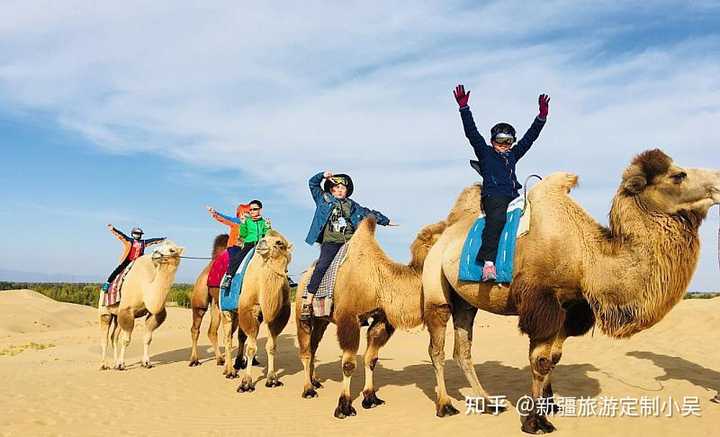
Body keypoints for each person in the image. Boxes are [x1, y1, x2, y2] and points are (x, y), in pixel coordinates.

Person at [453, 84, 550, 282]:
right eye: (500, 140)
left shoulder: (513, 154)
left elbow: (530, 138)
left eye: (508, 141)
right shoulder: (485, 153)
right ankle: (488, 263)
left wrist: (541, 117)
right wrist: (464, 108)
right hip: (494, 196)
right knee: (496, 220)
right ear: (492, 141)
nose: (504, 145)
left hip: (513, 195)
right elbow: (472, 133)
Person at [300, 171, 395, 320]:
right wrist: (323, 175)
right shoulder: (323, 199)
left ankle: (366, 304)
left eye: (342, 188)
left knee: (366, 265)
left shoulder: (352, 205)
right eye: (336, 187)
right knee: (322, 266)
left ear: (347, 191)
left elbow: (368, 213)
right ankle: (308, 301)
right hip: (331, 242)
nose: (339, 190)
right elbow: (312, 183)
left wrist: (385, 221)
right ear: (331, 189)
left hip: (350, 242)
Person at [209, 200, 271, 282]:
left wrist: (268, 227)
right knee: (238, 258)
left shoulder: (263, 222)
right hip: (248, 244)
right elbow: (243, 234)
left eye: (254, 209)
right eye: (250, 210)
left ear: (260, 209)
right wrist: (215, 213)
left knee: (277, 254)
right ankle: (229, 276)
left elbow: (267, 234)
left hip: (261, 244)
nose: (251, 211)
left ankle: (285, 277)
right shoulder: (244, 221)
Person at [102, 225, 166, 292]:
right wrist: (113, 229)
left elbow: (153, 240)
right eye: (136, 233)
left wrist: (162, 239)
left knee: (147, 270)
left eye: (139, 234)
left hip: (138, 261)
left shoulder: (143, 242)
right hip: (128, 260)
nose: (138, 235)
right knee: (118, 270)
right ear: (133, 234)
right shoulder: (129, 240)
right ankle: (107, 283)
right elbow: (121, 235)